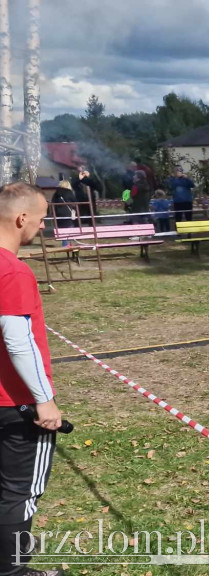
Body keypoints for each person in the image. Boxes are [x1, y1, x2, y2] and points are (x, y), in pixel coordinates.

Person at [0, 182, 63, 576]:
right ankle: (13, 571)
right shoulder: (13, 271)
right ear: (22, 218)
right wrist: (44, 399)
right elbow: (19, 341)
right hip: (14, 405)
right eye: (40, 220)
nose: (41, 228)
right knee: (19, 493)